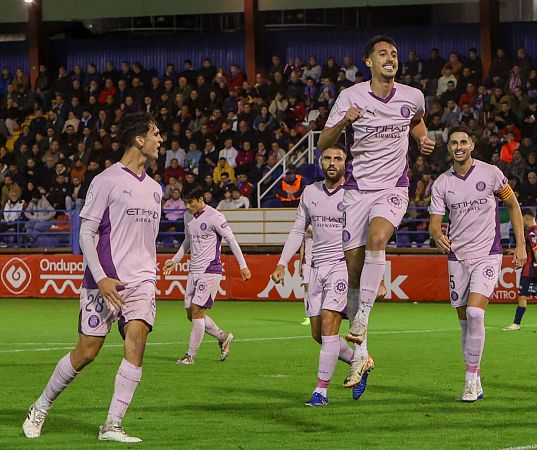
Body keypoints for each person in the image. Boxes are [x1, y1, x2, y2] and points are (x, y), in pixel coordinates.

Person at [22, 112, 164, 442]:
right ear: (139, 140)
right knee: (86, 352)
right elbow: (86, 233)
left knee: (138, 338)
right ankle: (40, 406)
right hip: (104, 281)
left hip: (141, 280)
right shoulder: (106, 180)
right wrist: (100, 277)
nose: (161, 140)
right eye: (156, 134)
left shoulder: (156, 189)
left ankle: (111, 425)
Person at [317, 35, 434, 388]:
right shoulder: (350, 98)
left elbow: (416, 120)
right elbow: (324, 143)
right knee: (354, 274)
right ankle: (360, 358)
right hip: (356, 191)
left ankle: (362, 320)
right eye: (383, 53)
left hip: (393, 188)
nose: (390, 58)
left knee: (378, 237)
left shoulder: (413, 96)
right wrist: (344, 122)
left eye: (394, 54)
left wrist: (422, 139)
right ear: (368, 61)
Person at [428, 126, 527, 402]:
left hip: (488, 253)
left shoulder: (491, 173)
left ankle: (470, 381)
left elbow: (514, 206)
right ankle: (476, 375)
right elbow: (435, 223)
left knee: (475, 314)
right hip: (458, 257)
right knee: (464, 323)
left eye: (463, 142)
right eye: (453, 143)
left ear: (472, 145)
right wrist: (436, 234)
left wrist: (520, 245)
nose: (458, 146)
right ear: (448, 148)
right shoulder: (441, 184)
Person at [271, 146, 368, 405]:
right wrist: (282, 263)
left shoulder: (355, 194)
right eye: (327, 158)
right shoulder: (310, 192)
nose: (332, 162)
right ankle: (360, 360)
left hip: (341, 266)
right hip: (315, 268)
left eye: (338, 158)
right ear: (320, 162)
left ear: (346, 163)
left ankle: (320, 391)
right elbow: (297, 230)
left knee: (328, 326)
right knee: (318, 334)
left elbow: (368, 235)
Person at [163, 186, 251, 365]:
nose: (188, 206)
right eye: (186, 203)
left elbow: (231, 240)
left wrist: (243, 265)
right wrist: (175, 260)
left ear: (201, 199)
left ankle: (190, 356)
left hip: (210, 270)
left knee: (197, 312)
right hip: (193, 270)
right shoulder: (188, 216)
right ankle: (223, 337)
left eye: (191, 203)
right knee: (191, 314)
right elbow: (187, 241)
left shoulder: (215, 217)